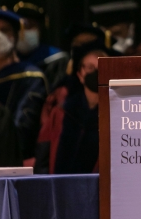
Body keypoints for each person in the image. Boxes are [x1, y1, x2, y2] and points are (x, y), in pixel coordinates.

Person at [0, 8, 47, 159]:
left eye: (4, 30)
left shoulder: (31, 78)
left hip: (17, 160)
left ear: (15, 35)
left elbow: (25, 126)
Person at [38, 41, 117, 174]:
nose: (96, 73)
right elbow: (43, 155)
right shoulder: (61, 112)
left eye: (101, 68)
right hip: (58, 187)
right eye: (90, 68)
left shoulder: (115, 115)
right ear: (80, 74)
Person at [13, 1, 69, 88]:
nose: (23, 32)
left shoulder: (56, 59)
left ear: (39, 30)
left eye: (29, 26)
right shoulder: (8, 62)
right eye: (20, 27)